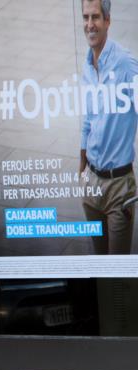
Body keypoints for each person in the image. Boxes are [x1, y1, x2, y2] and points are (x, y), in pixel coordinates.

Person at [79, 0, 138, 254]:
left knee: (118, 278)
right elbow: (88, 119)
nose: (89, 25)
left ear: (108, 21)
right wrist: (81, 167)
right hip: (91, 184)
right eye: (85, 18)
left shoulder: (125, 64)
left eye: (95, 17)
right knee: (100, 266)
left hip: (119, 188)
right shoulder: (87, 64)